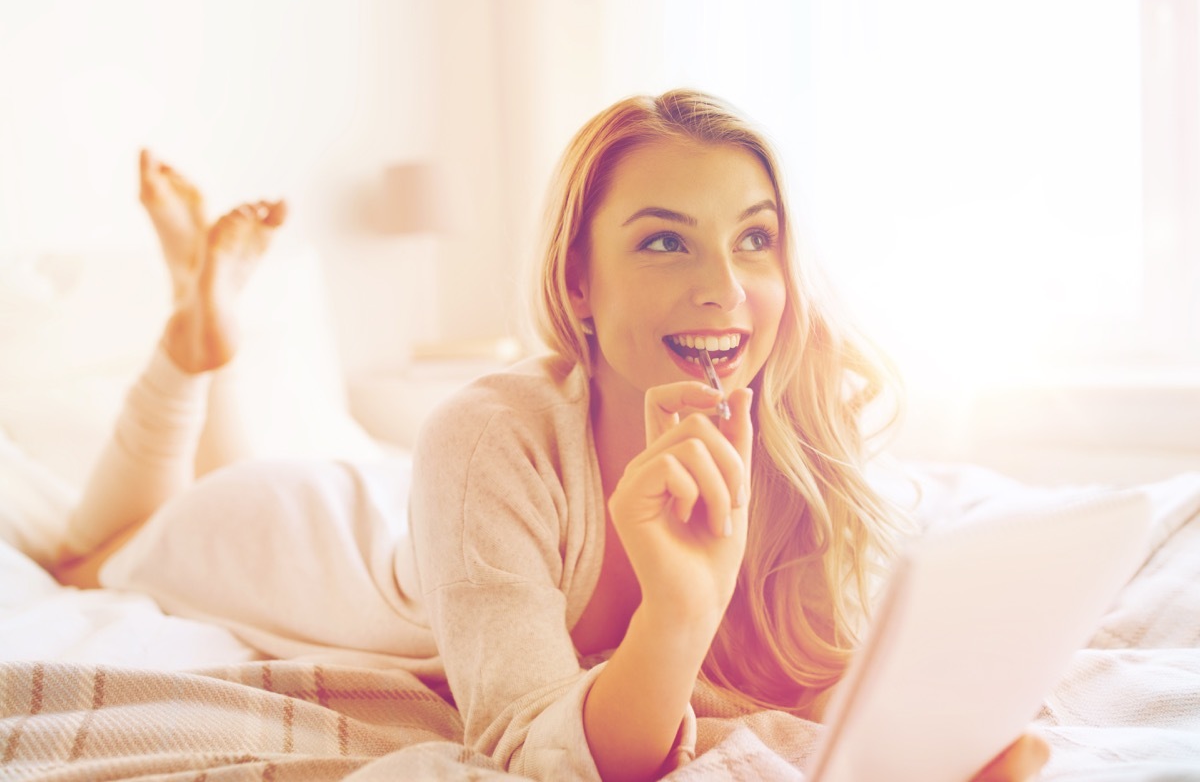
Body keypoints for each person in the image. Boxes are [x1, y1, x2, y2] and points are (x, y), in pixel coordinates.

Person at [52, 93, 1049, 782]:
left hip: (399, 519)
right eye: (664, 239)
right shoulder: (486, 437)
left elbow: (840, 677)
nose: (723, 285)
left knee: (211, 474)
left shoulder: (794, 434)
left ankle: (206, 328)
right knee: (92, 555)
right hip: (299, 538)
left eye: (754, 237)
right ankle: (188, 348)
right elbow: (532, 745)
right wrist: (678, 608)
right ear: (578, 279)